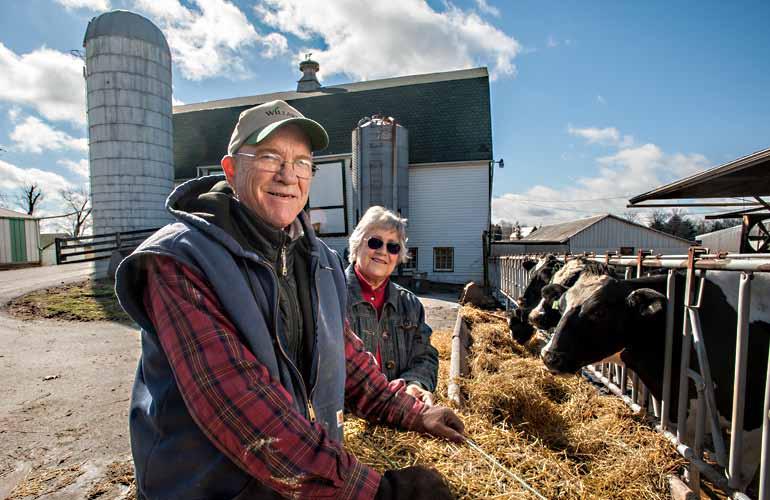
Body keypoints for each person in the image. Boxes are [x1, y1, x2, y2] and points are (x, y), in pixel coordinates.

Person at [114, 100, 464, 499]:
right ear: (231, 169)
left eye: (302, 163)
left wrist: (415, 413)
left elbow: (343, 359)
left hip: (293, 486)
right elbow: (243, 412)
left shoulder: (320, 262)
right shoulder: (180, 261)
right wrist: (377, 493)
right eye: (269, 157)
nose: (288, 175)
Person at [346, 206, 438, 406]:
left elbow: (425, 356)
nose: (382, 251)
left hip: (399, 414)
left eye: (393, 247)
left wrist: (415, 383)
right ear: (357, 244)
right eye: (375, 242)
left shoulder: (410, 304)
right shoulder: (331, 295)